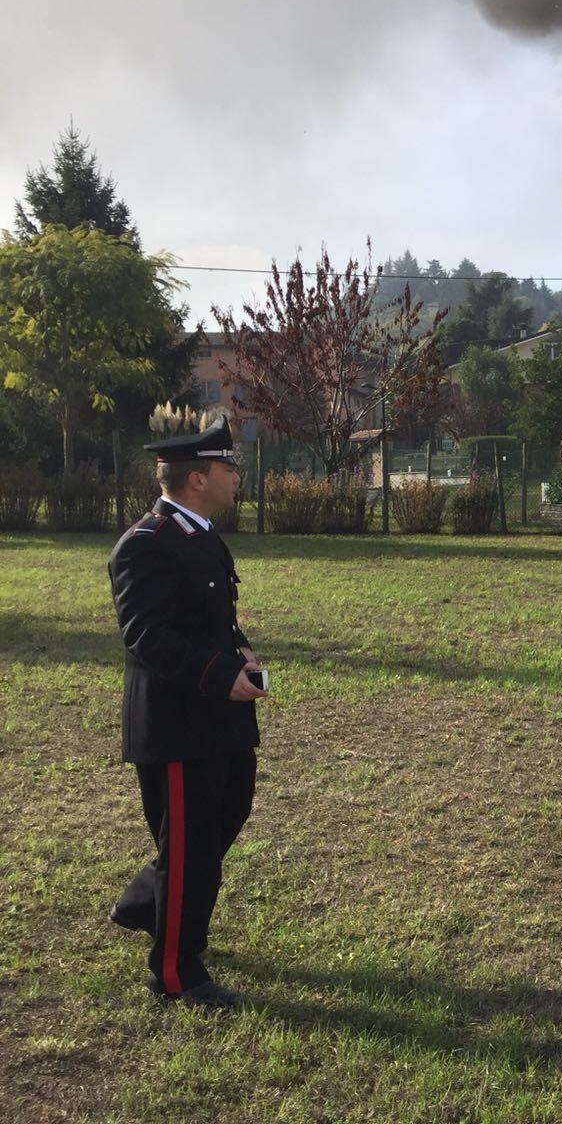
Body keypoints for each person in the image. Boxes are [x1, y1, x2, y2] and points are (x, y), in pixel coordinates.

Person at [106, 418, 267, 1008]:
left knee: (225, 816)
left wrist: (239, 647)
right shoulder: (145, 543)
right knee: (190, 845)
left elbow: (209, 616)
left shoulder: (199, 533)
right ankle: (174, 972)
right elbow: (146, 633)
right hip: (178, 723)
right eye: (228, 470)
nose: (236, 478)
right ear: (198, 478)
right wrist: (220, 674)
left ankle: (149, 902)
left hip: (218, 716)